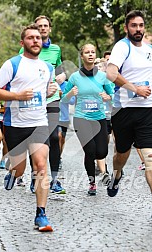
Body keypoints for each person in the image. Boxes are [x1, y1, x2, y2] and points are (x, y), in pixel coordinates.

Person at [0, 23, 57, 231]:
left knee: (41, 166)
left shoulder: (48, 68)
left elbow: (42, 94)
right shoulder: (13, 64)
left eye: (38, 38)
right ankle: (13, 173)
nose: (36, 41)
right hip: (15, 124)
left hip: (39, 124)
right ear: (23, 42)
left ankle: (41, 214)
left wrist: (51, 92)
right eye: (31, 38)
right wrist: (16, 96)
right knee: (20, 169)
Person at [106, 10, 152, 197]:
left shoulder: (149, 49)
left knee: (149, 159)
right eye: (134, 26)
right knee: (121, 155)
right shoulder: (122, 47)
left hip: (147, 110)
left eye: (141, 25)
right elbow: (111, 73)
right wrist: (135, 89)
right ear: (126, 28)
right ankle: (116, 176)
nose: (138, 29)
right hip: (123, 110)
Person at [20, 15, 66, 194]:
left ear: (50, 29)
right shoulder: (24, 50)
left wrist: (61, 78)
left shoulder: (55, 49)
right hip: (34, 99)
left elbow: (60, 69)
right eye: (40, 26)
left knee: (55, 137)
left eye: (46, 26)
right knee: (36, 139)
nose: (43, 28)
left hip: (52, 98)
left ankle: (54, 180)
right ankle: (35, 176)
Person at [62, 43, 113, 195]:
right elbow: (64, 99)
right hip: (81, 119)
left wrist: (107, 97)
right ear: (82, 56)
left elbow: (113, 96)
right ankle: (92, 183)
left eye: (92, 52)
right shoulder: (75, 77)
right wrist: (71, 93)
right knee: (90, 151)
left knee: (101, 152)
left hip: (99, 118)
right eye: (87, 52)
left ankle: (98, 169)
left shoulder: (103, 77)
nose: (90, 54)